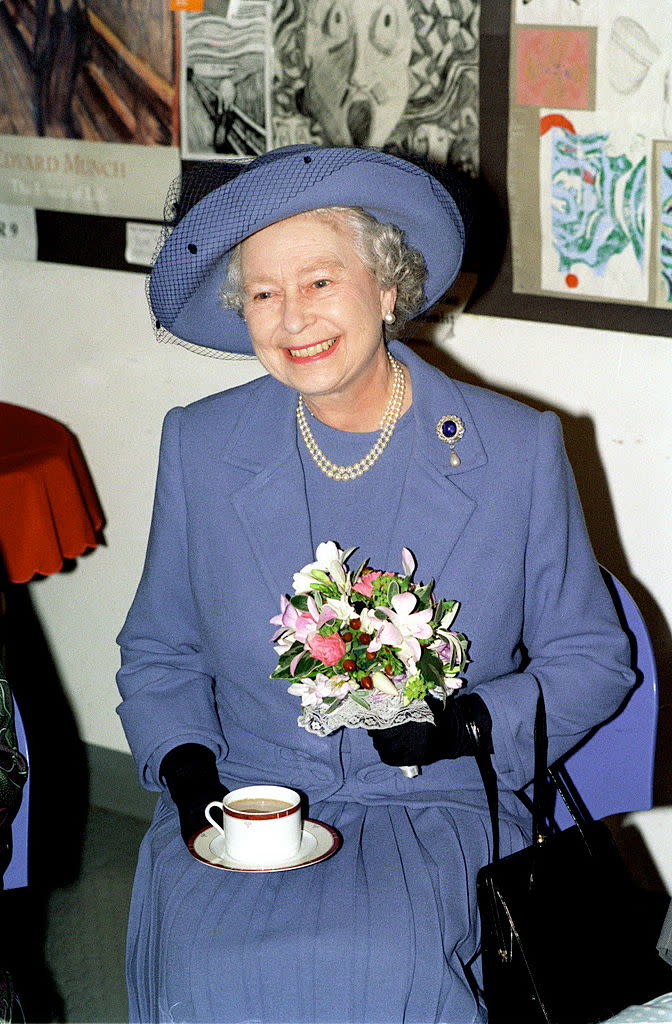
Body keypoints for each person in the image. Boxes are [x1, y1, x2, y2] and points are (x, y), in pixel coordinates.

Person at [116, 145, 635, 1024]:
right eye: (264, 293)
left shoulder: (512, 449)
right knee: (204, 963)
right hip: (250, 793)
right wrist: (191, 776)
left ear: (388, 287)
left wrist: (459, 725)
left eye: (319, 281)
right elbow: (158, 651)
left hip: (435, 804)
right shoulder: (199, 444)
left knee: (382, 964)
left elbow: (593, 660)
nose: (291, 318)